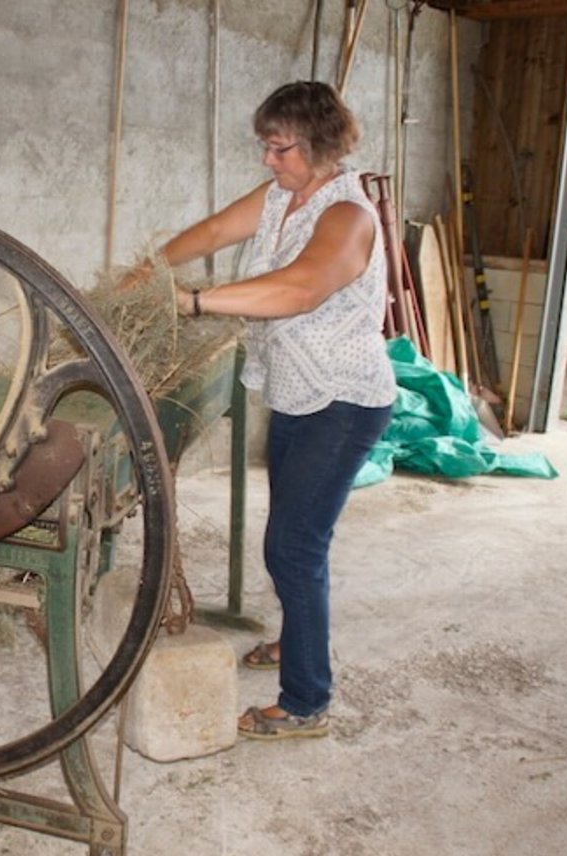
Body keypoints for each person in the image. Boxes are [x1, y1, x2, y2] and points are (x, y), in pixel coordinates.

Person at [152, 81, 396, 740]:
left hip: (343, 399)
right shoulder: (280, 198)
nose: (268, 160)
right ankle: (296, 641)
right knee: (296, 538)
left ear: (318, 146)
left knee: (292, 545)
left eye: (279, 147)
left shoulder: (348, 219)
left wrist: (197, 302)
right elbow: (209, 231)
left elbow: (297, 288)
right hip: (296, 391)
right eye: (265, 146)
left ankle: (307, 701)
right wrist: (147, 272)